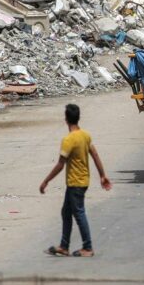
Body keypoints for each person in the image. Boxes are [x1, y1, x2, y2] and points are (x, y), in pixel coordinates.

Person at [40, 104, 112, 257]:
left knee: (79, 213)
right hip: (83, 181)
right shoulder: (85, 135)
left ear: (66, 119)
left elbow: (60, 164)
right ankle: (64, 246)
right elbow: (95, 155)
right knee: (66, 212)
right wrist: (102, 175)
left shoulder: (69, 140)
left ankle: (88, 247)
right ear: (78, 118)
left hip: (75, 183)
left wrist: (46, 181)